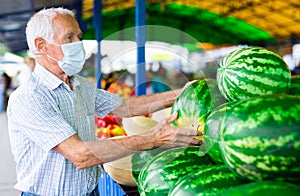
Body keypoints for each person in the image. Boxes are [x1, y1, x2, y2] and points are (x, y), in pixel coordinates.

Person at [7, 8, 201, 196]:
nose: (78, 44)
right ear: (41, 45)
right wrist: (154, 138)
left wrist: (180, 94)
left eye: (79, 37)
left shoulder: (80, 84)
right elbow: (80, 155)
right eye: (69, 37)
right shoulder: (29, 97)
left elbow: (125, 106)